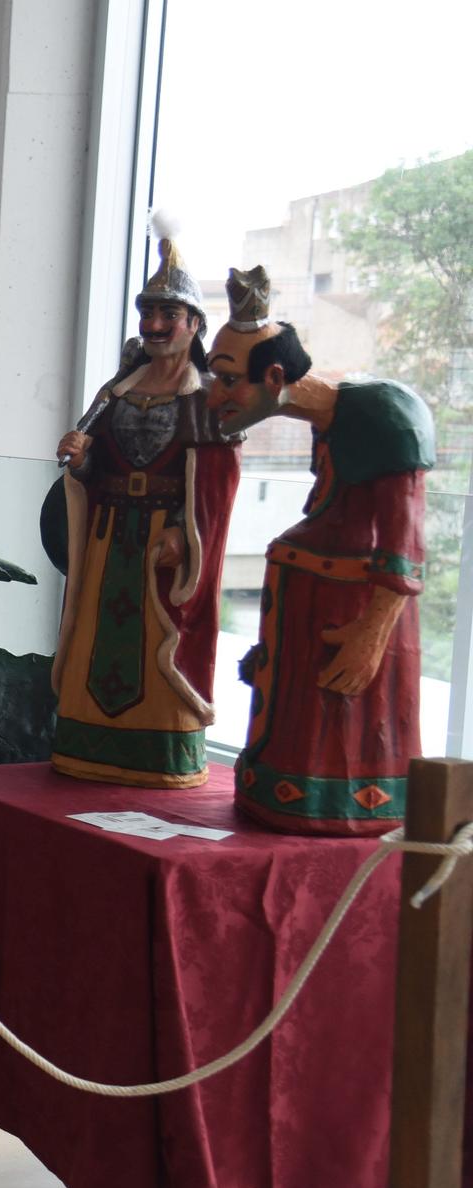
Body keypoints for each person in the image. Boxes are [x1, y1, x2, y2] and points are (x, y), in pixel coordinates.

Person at [206, 267, 434, 833]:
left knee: (349, 740)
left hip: (348, 622)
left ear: (276, 375)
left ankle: (347, 803)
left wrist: (372, 633)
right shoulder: (326, 419)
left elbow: (404, 546)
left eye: (229, 379)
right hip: (310, 624)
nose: (217, 395)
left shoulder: (385, 414)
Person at [50, 222, 240, 787]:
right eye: (148, 314)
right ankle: (91, 740)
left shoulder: (206, 400)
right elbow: (96, 465)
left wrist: (186, 530)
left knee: (159, 642)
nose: (156, 326)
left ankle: (159, 745)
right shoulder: (116, 392)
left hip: (163, 542)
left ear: (194, 325)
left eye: (169, 315)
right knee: (94, 633)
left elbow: (217, 481)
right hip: (110, 539)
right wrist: (81, 461)